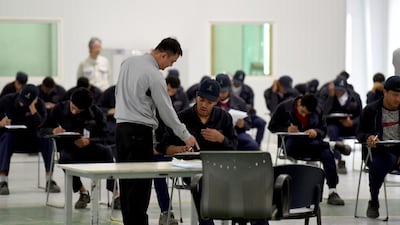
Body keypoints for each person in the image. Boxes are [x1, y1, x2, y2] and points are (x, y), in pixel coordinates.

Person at [114, 37, 198, 225]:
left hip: (121, 130)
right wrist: (186, 136)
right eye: (171, 61)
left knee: (126, 183)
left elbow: (118, 93)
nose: (168, 66)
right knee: (140, 186)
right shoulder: (154, 74)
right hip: (139, 132)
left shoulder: (127, 63)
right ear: (162, 55)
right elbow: (166, 110)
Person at [157, 78, 238, 225]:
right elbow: (163, 147)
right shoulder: (181, 118)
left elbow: (234, 146)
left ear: (216, 101)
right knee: (202, 187)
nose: (204, 105)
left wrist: (221, 139)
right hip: (191, 171)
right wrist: (179, 149)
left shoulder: (223, 117)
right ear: (196, 96)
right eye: (201, 100)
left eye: (209, 102)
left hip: (218, 168)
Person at [42, 88, 118, 209]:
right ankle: (83, 192)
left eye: (78, 110)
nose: (74, 112)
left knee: (107, 152)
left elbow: (107, 136)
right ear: (70, 100)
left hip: (91, 148)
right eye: (72, 107)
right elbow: (42, 129)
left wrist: (90, 141)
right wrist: (53, 130)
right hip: (69, 150)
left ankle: (116, 195)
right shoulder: (59, 109)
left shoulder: (96, 113)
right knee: (64, 159)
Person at [268, 94, 345, 205]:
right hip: (292, 145)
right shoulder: (284, 107)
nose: (304, 114)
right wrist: (286, 129)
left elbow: (323, 129)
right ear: (299, 103)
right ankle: (331, 145)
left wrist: (316, 131)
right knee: (294, 143)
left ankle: (333, 191)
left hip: (313, 144)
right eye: (302, 111)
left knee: (327, 154)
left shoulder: (317, 110)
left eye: (307, 114)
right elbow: (272, 127)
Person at [0, 84, 60, 195]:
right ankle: (3, 182)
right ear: (20, 92)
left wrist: (33, 109)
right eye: (22, 100)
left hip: (33, 140)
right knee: (6, 138)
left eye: (27, 102)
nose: (22, 103)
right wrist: (0, 124)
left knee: (47, 139)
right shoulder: (5, 101)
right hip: (14, 140)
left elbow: (42, 125)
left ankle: (49, 180)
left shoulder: (40, 105)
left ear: (35, 99)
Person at [357, 75, 400, 218]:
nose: (398, 99)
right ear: (385, 92)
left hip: (398, 151)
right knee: (380, 163)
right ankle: (374, 200)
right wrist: (367, 137)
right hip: (378, 152)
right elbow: (359, 133)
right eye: (395, 95)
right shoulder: (371, 110)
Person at [317, 74, 361, 174]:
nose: (339, 92)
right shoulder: (327, 95)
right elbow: (323, 112)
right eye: (336, 90)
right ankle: (339, 158)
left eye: (341, 90)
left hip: (350, 125)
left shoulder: (355, 97)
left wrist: (352, 122)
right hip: (334, 124)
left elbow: (361, 116)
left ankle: (367, 160)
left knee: (364, 130)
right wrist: (331, 97)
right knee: (332, 130)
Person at [216, 73, 259, 150]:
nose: (221, 94)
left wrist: (243, 124)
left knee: (253, 146)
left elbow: (248, 123)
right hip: (215, 134)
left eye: (224, 91)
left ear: (229, 89)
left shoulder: (240, 102)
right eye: (219, 91)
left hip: (236, 133)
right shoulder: (210, 102)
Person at [232, 70, 266, 146]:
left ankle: (257, 146)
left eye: (239, 82)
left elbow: (250, 106)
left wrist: (243, 107)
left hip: (247, 116)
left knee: (261, 123)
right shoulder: (227, 89)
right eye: (236, 81)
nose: (237, 83)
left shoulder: (248, 90)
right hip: (231, 117)